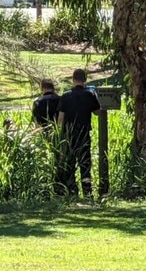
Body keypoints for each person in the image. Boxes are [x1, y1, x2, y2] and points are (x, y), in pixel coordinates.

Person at [56, 69, 101, 198]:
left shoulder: (66, 95)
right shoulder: (90, 94)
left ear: (73, 79)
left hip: (69, 135)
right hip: (84, 134)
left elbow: (60, 119)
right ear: (85, 80)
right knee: (85, 163)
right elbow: (97, 112)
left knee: (70, 163)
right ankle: (87, 192)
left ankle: (72, 191)